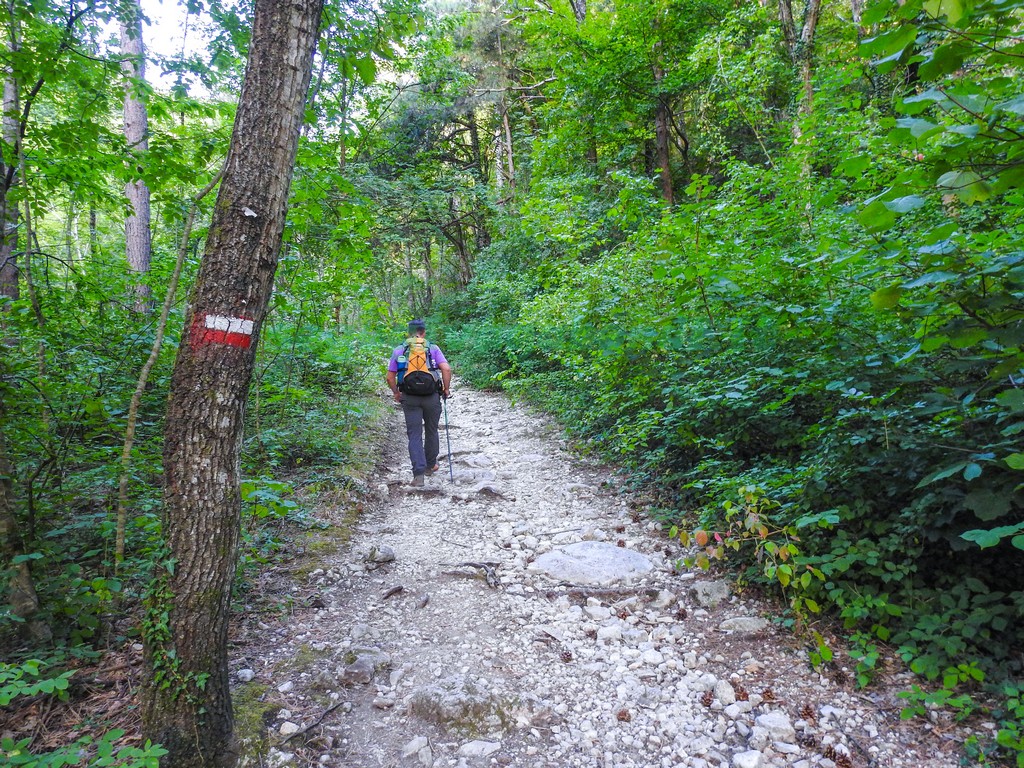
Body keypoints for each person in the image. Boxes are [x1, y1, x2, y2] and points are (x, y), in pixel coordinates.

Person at [386, 319, 452, 486]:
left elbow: (389, 377)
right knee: (431, 430)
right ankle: (431, 465)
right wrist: (446, 389)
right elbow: (446, 369)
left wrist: (396, 392)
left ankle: (419, 475)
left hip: (409, 397)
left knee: (414, 434)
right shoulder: (433, 348)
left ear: (408, 332)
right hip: (431, 396)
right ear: (424, 332)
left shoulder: (400, 350)